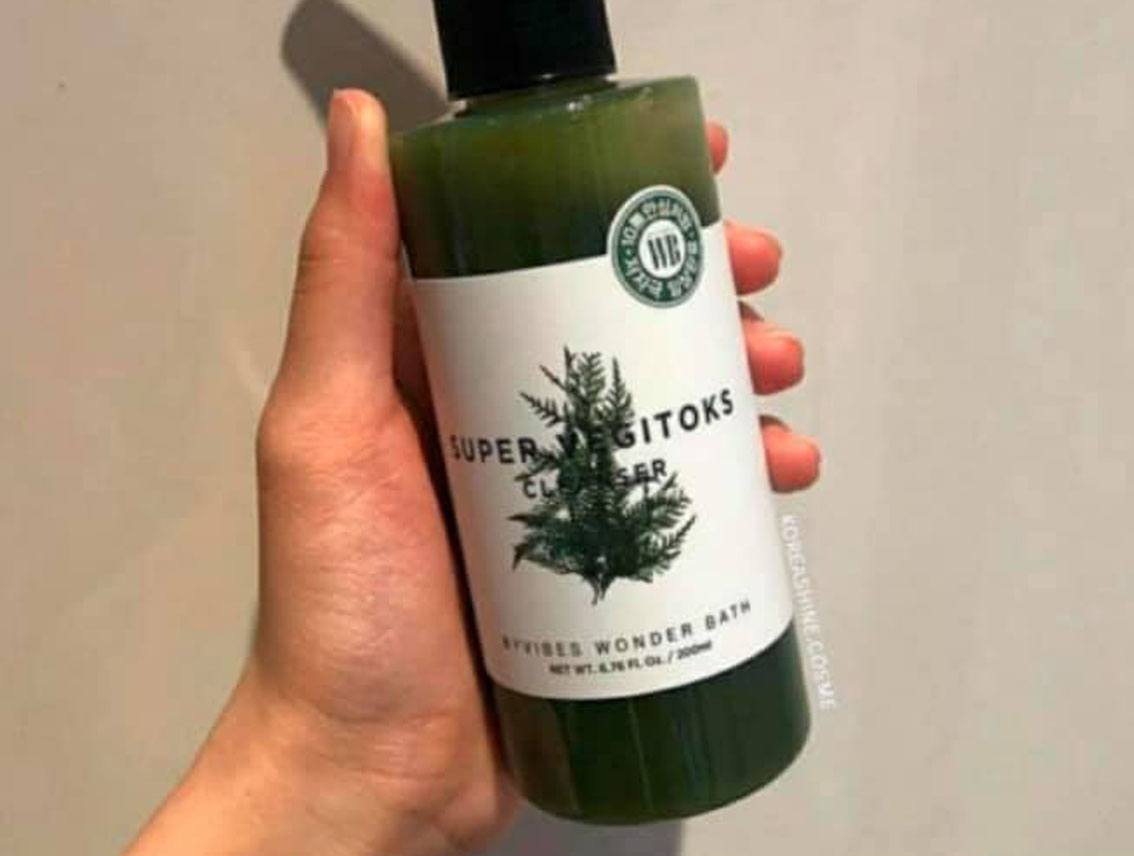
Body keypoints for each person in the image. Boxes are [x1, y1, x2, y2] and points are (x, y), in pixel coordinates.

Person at [125, 90, 821, 856]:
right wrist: (339, 757)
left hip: (720, 639)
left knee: (694, 403)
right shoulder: (464, 160)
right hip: (533, 685)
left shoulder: (641, 120)